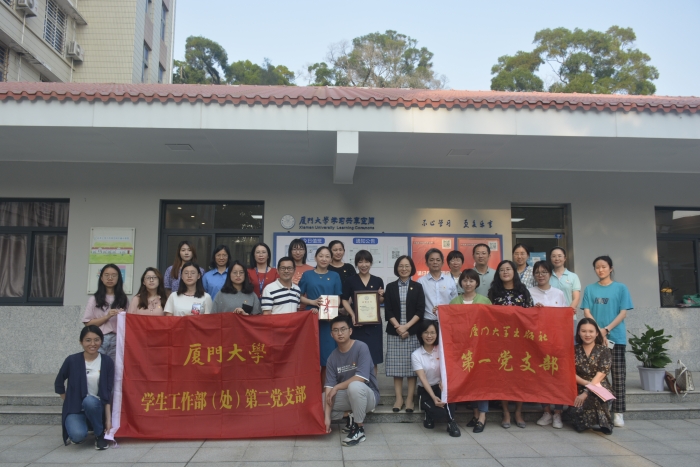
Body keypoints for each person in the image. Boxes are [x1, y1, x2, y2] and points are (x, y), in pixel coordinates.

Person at [582, 255, 633, 428]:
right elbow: (587, 311)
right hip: (594, 339)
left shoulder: (621, 288)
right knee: (595, 376)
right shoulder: (590, 289)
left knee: (618, 375)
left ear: (611, 268)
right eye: (597, 267)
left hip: (615, 338)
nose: (600, 270)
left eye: (604, 267)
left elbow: (623, 313)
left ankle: (618, 412)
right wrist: (597, 331)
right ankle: (598, 409)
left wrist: (606, 330)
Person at [488, 259, 534, 428]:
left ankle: (518, 412)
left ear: (514, 271)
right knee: (504, 376)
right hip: (501, 341)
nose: (505, 272)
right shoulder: (494, 292)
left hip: (521, 341)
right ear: (498, 273)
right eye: (502, 270)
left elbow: (531, 314)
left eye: (508, 269)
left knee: (520, 375)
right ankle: (506, 412)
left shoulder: (524, 291)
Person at [324, 315, 380, 447]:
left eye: (343, 329)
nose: (340, 333)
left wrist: (336, 388)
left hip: (367, 395)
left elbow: (361, 378)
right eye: (336, 330)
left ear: (350, 331)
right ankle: (349, 415)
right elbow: (328, 388)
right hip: (348, 397)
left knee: (355, 385)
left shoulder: (361, 347)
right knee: (320, 401)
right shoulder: (332, 358)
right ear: (331, 334)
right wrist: (327, 417)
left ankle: (359, 428)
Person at [54, 326, 114, 450]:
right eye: (88, 340)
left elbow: (107, 393)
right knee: (77, 436)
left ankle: (99, 435)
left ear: (101, 341)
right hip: (76, 409)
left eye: (96, 340)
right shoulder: (72, 360)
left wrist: (108, 420)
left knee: (89, 401)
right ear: (81, 342)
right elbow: (59, 383)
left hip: (96, 407)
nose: (92, 344)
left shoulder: (107, 361)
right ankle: (86, 424)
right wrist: (69, 401)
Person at [448, 268, 491, 430]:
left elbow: (492, 324)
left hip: (481, 349)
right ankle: (474, 414)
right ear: (461, 283)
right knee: (470, 381)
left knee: (481, 382)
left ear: (477, 283)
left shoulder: (485, 301)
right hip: (462, 350)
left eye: (471, 280)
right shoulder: (454, 302)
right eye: (465, 280)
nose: (468, 283)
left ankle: (482, 415)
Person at [529, 260, 568, 429]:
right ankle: (546, 411)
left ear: (550, 274)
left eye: (544, 272)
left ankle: (558, 413)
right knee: (541, 377)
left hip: (556, 342)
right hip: (537, 342)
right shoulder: (529, 293)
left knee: (557, 376)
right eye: (537, 272)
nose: (541, 275)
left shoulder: (559, 293)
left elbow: (564, 318)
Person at [384, 255, 425, 413]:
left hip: (412, 331)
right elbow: (388, 310)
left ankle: (410, 399)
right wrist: (398, 327)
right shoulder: (391, 287)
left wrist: (406, 327)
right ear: (396, 268)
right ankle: (399, 398)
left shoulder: (418, 286)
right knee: (396, 367)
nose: (404, 268)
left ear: (412, 268)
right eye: (401, 266)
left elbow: (420, 310)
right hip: (395, 332)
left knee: (411, 367)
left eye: (407, 266)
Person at [299, 246, 343, 387]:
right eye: (321, 256)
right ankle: (311, 389)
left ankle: (325, 391)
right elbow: (297, 296)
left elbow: (338, 298)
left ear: (331, 259)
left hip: (329, 321)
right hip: (312, 318)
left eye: (327, 256)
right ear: (315, 257)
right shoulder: (307, 275)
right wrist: (312, 302)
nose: (324, 259)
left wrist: (332, 309)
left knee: (327, 357)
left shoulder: (335, 276)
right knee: (311, 356)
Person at [412, 320, 461, 437]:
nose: (429, 336)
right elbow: (422, 379)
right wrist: (433, 397)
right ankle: (428, 413)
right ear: (420, 334)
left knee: (449, 393)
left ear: (437, 334)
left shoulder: (442, 350)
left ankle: (451, 423)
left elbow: (450, 369)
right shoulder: (416, 354)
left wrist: (444, 381)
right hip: (426, 389)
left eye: (432, 332)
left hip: (440, 386)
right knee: (439, 414)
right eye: (426, 332)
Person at [341, 250, 384, 375]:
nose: (364, 265)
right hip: (357, 325)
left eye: (366, 262)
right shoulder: (350, 280)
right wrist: (353, 315)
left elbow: (380, 300)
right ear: (356, 264)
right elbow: (344, 300)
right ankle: (357, 388)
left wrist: (381, 295)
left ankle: (373, 389)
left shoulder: (377, 280)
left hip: (374, 326)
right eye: (360, 262)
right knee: (356, 358)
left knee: (373, 359)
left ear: (371, 263)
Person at [570, 318, 614, 434]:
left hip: (599, 384)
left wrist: (586, 392)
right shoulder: (573, 350)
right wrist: (586, 385)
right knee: (578, 405)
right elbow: (570, 373)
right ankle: (585, 423)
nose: (587, 334)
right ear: (578, 332)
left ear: (597, 333)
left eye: (591, 331)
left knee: (595, 396)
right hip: (580, 383)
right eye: (584, 331)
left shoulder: (604, 350)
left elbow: (601, 374)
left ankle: (603, 423)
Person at [82, 264, 128, 361]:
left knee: (114, 369)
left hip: (117, 339)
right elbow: (87, 323)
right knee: (98, 367)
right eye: (106, 275)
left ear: (118, 278)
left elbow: (128, 322)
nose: (110, 278)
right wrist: (107, 316)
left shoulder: (123, 299)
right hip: (99, 338)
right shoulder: (94, 299)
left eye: (114, 275)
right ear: (101, 278)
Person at [417, 248, 457, 321]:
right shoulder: (421, 281)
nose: (435, 262)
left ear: (442, 263)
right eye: (431, 260)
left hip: (447, 321)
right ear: (426, 263)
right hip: (427, 322)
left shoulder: (450, 281)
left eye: (438, 260)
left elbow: (455, 302)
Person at [549, 247, 582, 319]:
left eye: (559, 256)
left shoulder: (573, 276)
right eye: (554, 256)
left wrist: (568, 312)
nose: (557, 259)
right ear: (550, 259)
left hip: (569, 316)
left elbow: (576, 298)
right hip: (551, 316)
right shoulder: (547, 276)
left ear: (565, 258)